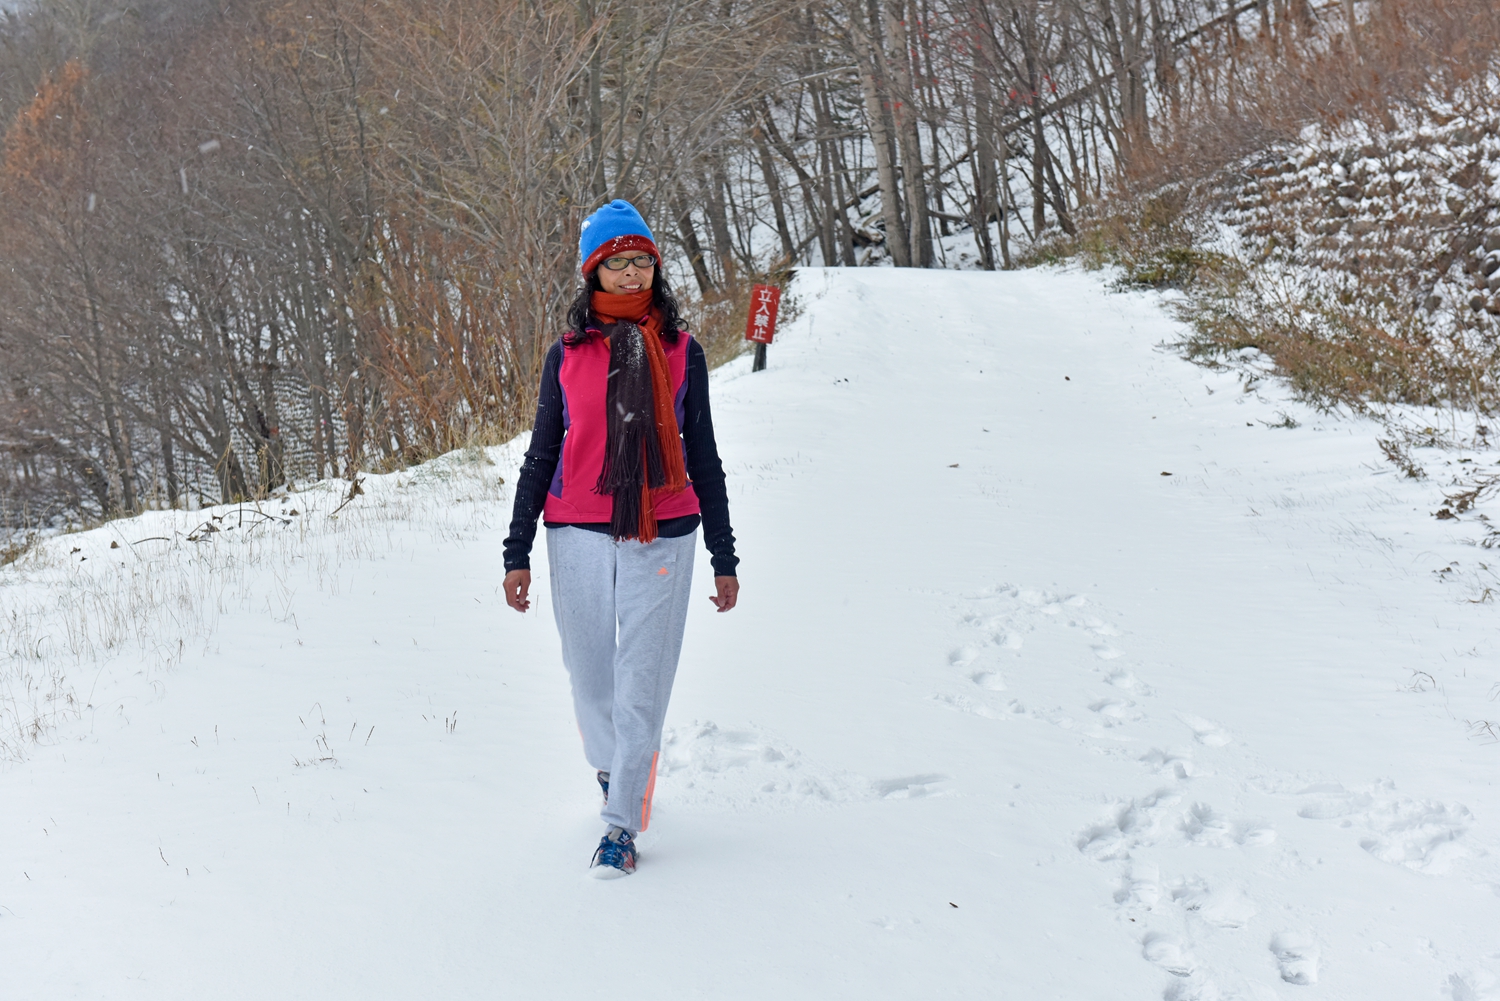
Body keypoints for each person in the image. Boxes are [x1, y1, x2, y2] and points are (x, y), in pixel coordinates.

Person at [501, 199, 740, 878]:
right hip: (574, 530)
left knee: (641, 685)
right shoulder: (567, 356)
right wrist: (516, 550)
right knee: (591, 681)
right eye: (617, 262)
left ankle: (619, 825)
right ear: (593, 273)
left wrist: (725, 554)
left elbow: (706, 456)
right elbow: (541, 454)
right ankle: (616, 769)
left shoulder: (683, 352)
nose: (632, 273)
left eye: (642, 260)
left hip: (663, 532)